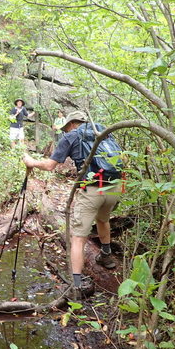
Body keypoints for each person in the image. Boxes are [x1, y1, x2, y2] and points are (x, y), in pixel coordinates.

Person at [23, 109, 121, 292]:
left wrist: (31, 162)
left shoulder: (71, 136)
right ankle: (106, 255)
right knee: (103, 219)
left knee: (78, 237)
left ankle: (76, 285)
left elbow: (50, 165)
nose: (65, 131)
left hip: (92, 190)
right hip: (114, 187)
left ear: (71, 124)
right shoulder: (103, 132)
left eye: (66, 128)